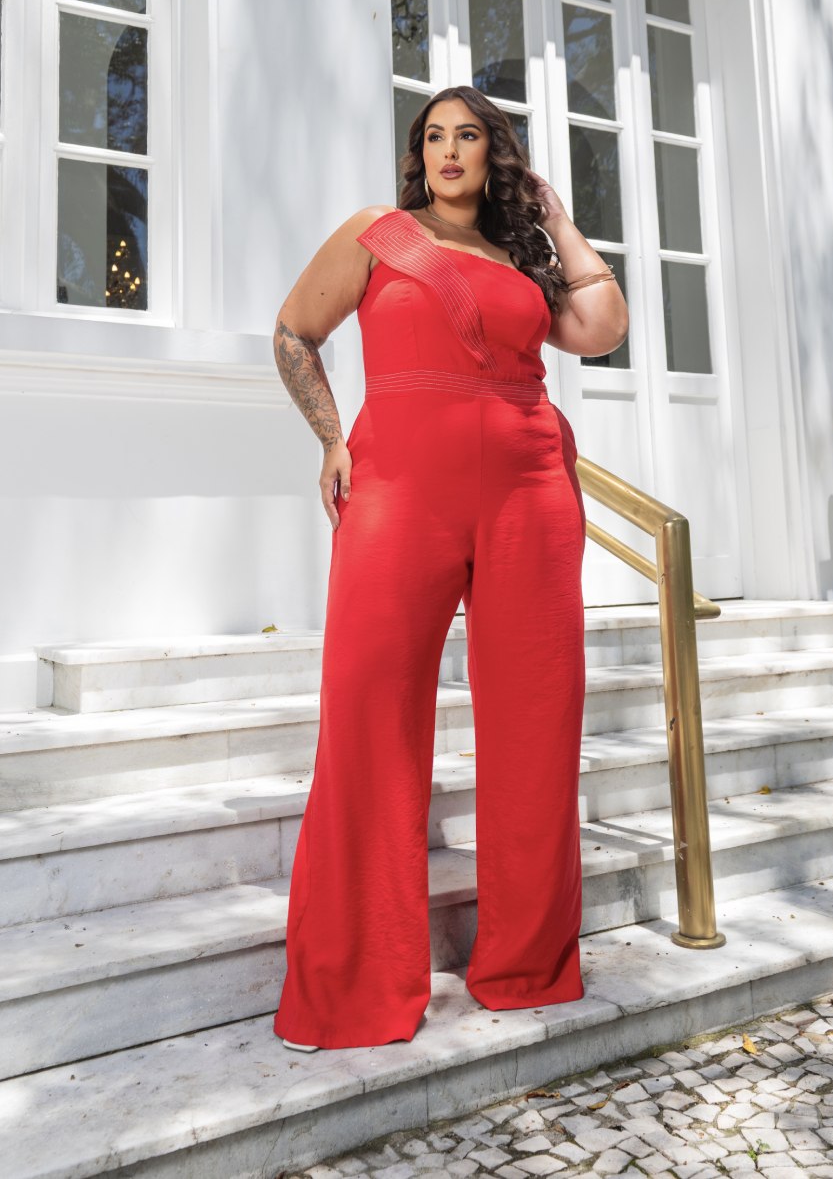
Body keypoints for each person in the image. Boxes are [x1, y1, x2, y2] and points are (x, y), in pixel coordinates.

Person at [271, 84, 628, 1051]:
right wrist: (332, 437)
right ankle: (352, 986)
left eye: (469, 135)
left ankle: (527, 968)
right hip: (396, 488)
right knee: (369, 711)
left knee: (538, 718)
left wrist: (555, 218)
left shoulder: (519, 259)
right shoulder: (378, 235)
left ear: (494, 153)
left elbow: (603, 326)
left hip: (530, 489)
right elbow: (294, 332)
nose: (449, 150)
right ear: (417, 154)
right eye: (434, 136)